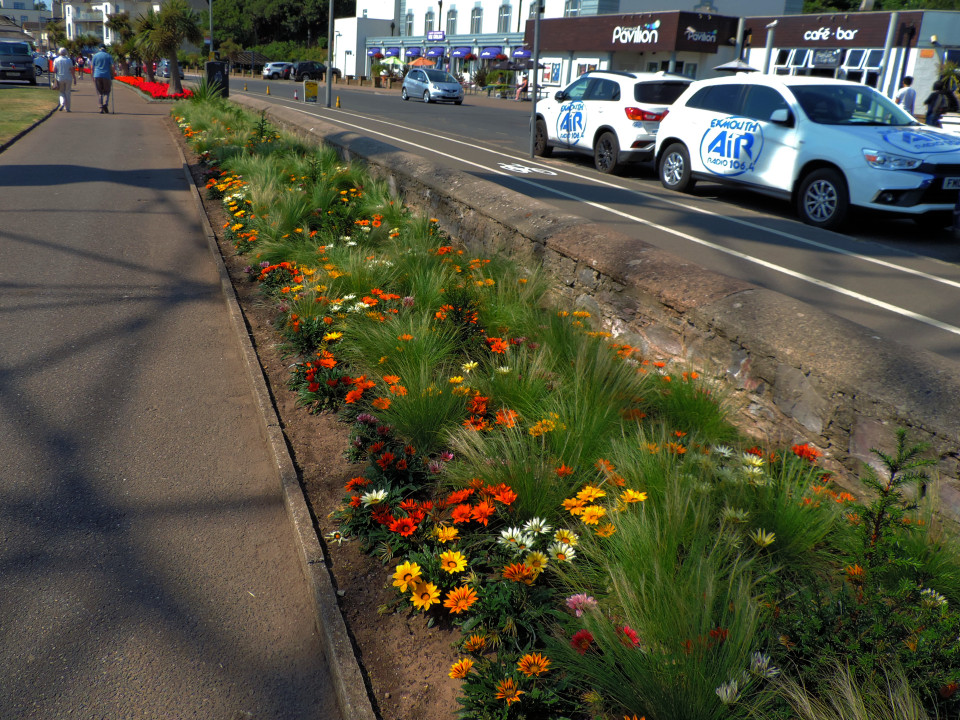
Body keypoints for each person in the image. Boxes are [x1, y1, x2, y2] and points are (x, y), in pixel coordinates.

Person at [52, 47, 77, 112]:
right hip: (68, 78)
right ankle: (67, 108)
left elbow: (54, 70)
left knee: (61, 92)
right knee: (67, 92)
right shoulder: (69, 60)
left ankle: (62, 103)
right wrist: (74, 78)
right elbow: (72, 70)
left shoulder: (56, 60)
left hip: (60, 78)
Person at [91, 45, 114, 114]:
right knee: (106, 91)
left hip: (97, 75)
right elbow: (112, 66)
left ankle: (100, 108)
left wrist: (92, 76)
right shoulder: (108, 56)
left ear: (99, 49)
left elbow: (92, 67)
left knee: (99, 92)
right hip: (106, 75)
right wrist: (112, 75)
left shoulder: (95, 56)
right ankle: (105, 103)